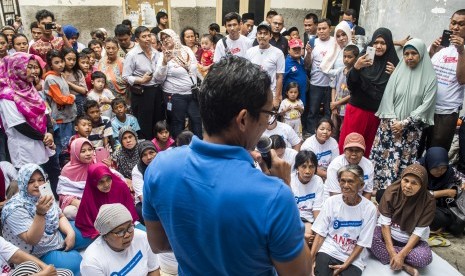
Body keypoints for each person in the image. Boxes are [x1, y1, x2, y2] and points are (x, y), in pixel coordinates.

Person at [143, 56, 311, 275]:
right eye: (268, 114)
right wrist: (285, 184)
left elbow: (158, 244)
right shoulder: (275, 195)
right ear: (243, 120)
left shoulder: (160, 167)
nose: (268, 123)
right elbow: (301, 273)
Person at [371, 38, 437, 190]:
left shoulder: (430, 78)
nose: (409, 57)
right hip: (389, 127)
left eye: (414, 53)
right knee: (384, 160)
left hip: (410, 131)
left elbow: (426, 105)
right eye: (406, 53)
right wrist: (394, 121)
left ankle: (397, 194)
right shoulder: (398, 72)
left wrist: (404, 123)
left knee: (402, 163)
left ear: (421, 54)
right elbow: (388, 97)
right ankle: (379, 194)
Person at [1, 164, 86, 275]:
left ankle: (65, 250)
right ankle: (65, 255)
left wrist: (70, 234)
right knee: (77, 262)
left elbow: (60, 216)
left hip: (55, 236)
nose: (37, 185)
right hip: (38, 253)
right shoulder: (13, 209)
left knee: (87, 231)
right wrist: (40, 213)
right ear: (22, 182)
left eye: (41, 180)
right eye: (31, 181)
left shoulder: (44, 193)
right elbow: (32, 240)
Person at [0, 53, 60, 198]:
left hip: (42, 144)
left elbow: (45, 112)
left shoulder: (31, 89)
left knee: (44, 179)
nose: (35, 71)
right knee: (29, 184)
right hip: (25, 148)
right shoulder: (7, 95)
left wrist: (50, 133)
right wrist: (43, 137)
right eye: (29, 67)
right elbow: (18, 125)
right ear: (17, 68)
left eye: (35, 67)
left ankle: (48, 209)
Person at [338, 27, 399, 157]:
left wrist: (396, 75)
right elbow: (351, 86)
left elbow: (398, 92)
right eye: (376, 43)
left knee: (367, 149)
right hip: (356, 111)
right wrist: (356, 68)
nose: (378, 46)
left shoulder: (394, 64)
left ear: (389, 44)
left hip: (376, 115)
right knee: (349, 147)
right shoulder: (362, 58)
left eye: (383, 43)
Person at [310, 164, 377, 276]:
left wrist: (346, 264)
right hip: (329, 249)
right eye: (342, 181)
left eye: (350, 181)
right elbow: (320, 234)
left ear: (361, 185)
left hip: (353, 257)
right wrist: (310, 260)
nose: (345, 185)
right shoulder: (331, 202)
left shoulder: (370, 209)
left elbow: (361, 243)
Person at [371, 164, 435, 276]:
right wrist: (392, 252)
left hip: (412, 242)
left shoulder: (428, 202)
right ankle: (404, 265)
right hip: (388, 236)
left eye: (414, 183)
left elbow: (418, 233)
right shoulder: (392, 192)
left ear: (422, 185)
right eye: (405, 180)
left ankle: (397, 260)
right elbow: (385, 224)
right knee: (368, 239)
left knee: (424, 258)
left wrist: (402, 255)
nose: (408, 186)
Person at [422, 9, 465, 153]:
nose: (455, 27)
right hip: (426, 107)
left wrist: (461, 51)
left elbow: (462, 79)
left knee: (436, 154)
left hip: (446, 113)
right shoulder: (441, 45)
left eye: (461, 24)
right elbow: (422, 71)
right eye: (453, 23)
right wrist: (432, 50)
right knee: (417, 148)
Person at [81, 203, 160, 275]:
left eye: (130, 227)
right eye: (120, 232)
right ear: (105, 236)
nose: (127, 235)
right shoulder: (92, 262)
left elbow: (153, 270)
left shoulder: (141, 237)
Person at [155, 29, 202, 139]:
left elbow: (196, 69)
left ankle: (199, 147)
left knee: (197, 121)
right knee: (177, 124)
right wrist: (164, 63)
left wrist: (204, 81)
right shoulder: (163, 56)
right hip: (175, 96)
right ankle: (179, 149)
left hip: (192, 93)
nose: (165, 40)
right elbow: (158, 79)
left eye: (167, 37)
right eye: (162, 39)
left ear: (174, 36)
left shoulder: (186, 50)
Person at [75, 163, 139, 239]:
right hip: (103, 230)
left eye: (108, 179)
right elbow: (85, 222)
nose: (106, 184)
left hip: (125, 225)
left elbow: (130, 212)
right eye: (101, 182)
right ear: (93, 182)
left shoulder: (121, 187)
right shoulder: (89, 195)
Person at [123, 26, 163, 140]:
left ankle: (157, 146)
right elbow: (125, 76)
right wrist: (141, 80)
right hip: (142, 93)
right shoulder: (132, 55)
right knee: (144, 123)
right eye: (143, 36)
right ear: (136, 39)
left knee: (158, 121)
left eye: (149, 35)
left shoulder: (156, 53)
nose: (147, 39)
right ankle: (146, 148)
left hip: (157, 91)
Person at [419, 147, 465, 236]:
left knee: (447, 218)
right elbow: (417, 195)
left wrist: (463, 183)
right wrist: (445, 192)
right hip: (420, 205)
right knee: (436, 218)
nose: (439, 172)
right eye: (435, 168)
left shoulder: (449, 170)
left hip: (439, 206)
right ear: (429, 164)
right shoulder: (419, 169)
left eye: (443, 168)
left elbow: (462, 177)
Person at [44, 49, 77, 160]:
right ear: (50, 64)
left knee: (69, 144)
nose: (61, 65)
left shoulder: (60, 76)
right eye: (56, 62)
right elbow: (60, 99)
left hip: (68, 116)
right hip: (60, 118)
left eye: (62, 61)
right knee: (61, 147)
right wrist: (72, 97)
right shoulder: (50, 79)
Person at [306, 18, 335, 134]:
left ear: (330, 29)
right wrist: (308, 53)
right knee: (313, 111)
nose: (321, 31)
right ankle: (310, 133)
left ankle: (328, 133)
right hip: (316, 83)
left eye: (324, 28)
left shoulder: (335, 42)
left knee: (329, 111)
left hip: (331, 84)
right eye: (319, 29)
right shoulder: (313, 42)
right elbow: (307, 65)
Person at [246, 23, 285, 109]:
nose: (262, 36)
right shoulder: (250, 52)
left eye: (265, 33)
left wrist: (277, 98)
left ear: (270, 36)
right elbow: (247, 74)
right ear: (256, 35)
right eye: (260, 33)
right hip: (253, 93)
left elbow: (279, 77)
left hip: (270, 93)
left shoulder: (278, 53)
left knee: (268, 119)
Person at [291, 150, 324, 248]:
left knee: (312, 235)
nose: (308, 171)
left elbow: (317, 210)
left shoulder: (318, 181)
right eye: (303, 166)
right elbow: (287, 211)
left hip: (308, 220)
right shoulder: (289, 180)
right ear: (297, 167)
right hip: (293, 218)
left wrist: (317, 230)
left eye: (311, 167)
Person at [326, 132, 374, 199]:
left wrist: (364, 207)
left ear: (363, 151)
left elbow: (367, 192)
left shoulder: (368, 165)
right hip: (338, 200)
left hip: (359, 200)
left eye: (357, 151)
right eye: (350, 150)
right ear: (344, 150)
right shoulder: (335, 165)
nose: (354, 154)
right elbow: (335, 195)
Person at [57, 138, 94, 220]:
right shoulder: (67, 170)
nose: (88, 154)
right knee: (70, 212)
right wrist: (75, 201)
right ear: (75, 153)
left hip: (94, 199)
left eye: (90, 150)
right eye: (83, 151)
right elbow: (62, 193)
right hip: (76, 202)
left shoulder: (95, 163)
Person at [330, 44, 359, 139]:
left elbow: (353, 94)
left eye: (350, 57)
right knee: (333, 129)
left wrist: (337, 103)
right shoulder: (339, 72)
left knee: (344, 130)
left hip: (347, 108)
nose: (346, 59)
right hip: (336, 107)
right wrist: (334, 103)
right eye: (344, 56)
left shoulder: (356, 75)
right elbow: (333, 87)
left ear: (356, 58)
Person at [283, 38, 311, 126]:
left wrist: (309, 53)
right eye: (294, 49)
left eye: (299, 48)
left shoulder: (301, 59)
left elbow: (307, 65)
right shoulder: (286, 63)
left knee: (299, 115)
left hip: (301, 95)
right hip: (291, 97)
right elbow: (281, 79)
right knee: (289, 117)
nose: (297, 51)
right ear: (288, 50)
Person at [132, 140, 157, 225]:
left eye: (151, 153)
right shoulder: (137, 171)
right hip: (145, 202)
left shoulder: (163, 164)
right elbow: (142, 197)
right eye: (144, 155)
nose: (149, 157)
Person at [62, 47, 87, 117]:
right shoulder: (59, 73)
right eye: (69, 59)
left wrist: (69, 83)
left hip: (80, 102)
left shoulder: (78, 72)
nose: (72, 62)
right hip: (65, 104)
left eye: (74, 60)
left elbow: (83, 90)